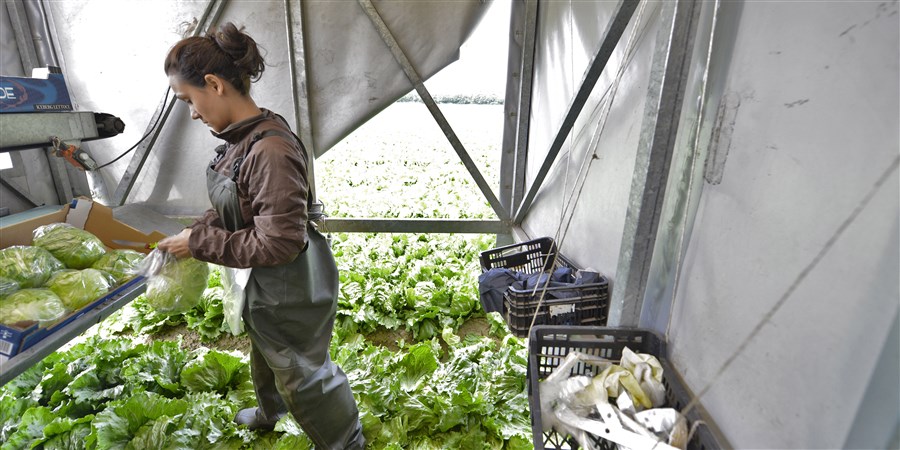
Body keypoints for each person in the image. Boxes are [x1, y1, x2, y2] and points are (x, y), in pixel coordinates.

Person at [156, 22, 365, 449]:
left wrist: (197, 243)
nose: (192, 112)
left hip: (288, 282)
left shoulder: (268, 149)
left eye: (188, 100)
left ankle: (347, 441)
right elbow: (242, 206)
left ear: (213, 84)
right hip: (263, 279)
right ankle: (272, 412)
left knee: (303, 369)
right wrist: (202, 227)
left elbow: (279, 241)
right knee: (268, 346)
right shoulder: (243, 137)